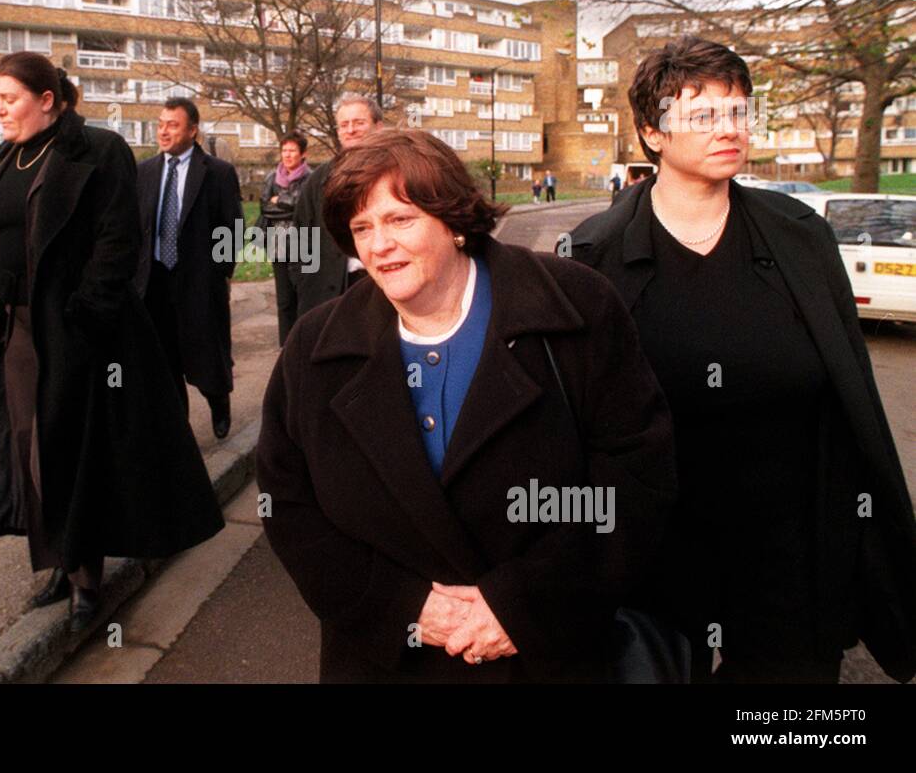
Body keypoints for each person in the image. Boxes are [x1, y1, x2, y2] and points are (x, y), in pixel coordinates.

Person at [257, 128, 677, 682]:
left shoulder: (575, 309)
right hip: (385, 662)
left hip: (547, 655)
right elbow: (287, 502)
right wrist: (402, 607)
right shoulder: (316, 348)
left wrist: (522, 604)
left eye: (400, 220)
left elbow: (636, 474)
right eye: (362, 227)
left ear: (454, 222)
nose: (378, 245)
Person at [569, 36, 916, 684]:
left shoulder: (799, 238)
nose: (729, 128)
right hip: (656, 561)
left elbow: (851, 399)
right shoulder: (595, 257)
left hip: (791, 560)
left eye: (738, 111)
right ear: (652, 133)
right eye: (702, 115)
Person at [0, 53, 224, 631]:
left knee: (74, 450)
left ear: (47, 99)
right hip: (17, 332)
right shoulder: (7, 158)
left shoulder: (98, 151)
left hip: (80, 333)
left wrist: (83, 316)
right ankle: (58, 559)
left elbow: (117, 240)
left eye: (8, 98)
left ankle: (86, 582)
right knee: (30, 446)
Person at [135, 97, 244, 440]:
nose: (164, 131)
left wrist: (219, 274)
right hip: (154, 283)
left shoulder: (218, 173)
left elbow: (232, 229)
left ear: (193, 130)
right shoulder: (145, 172)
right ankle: (177, 429)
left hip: (198, 282)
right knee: (164, 364)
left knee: (206, 355)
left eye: (173, 125)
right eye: (161, 124)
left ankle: (219, 403)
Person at [290, 93, 384, 318]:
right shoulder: (320, 179)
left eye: (359, 123)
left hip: (383, 287)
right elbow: (299, 236)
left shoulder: (397, 173)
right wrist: (304, 281)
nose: (350, 130)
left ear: (378, 127)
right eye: (344, 124)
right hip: (329, 292)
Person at [257, 132, 312, 345]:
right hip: (278, 242)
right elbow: (264, 207)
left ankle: (304, 342)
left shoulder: (310, 178)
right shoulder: (272, 177)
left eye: (292, 150)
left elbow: (303, 210)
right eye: (284, 150)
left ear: (303, 154)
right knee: (284, 299)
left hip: (305, 243)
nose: (287, 155)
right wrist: (287, 204)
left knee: (304, 296)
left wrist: (278, 200)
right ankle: (285, 344)